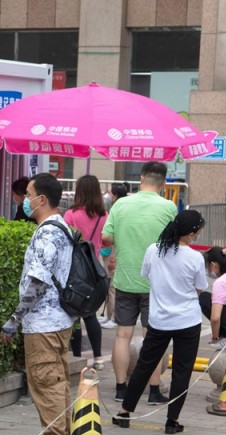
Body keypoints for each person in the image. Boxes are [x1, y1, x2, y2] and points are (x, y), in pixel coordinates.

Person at [0, 173, 75, 435]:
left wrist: (14, 319)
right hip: (59, 319)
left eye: (29, 195)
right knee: (57, 382)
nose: (26, 200)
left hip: (43, 322)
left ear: (42, 199)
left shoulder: (46, 234)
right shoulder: (62, 227)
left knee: (46, 384)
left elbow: (37, 282)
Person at [112, 210, 208, 435]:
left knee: (143, 366)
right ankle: (172, 421)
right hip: (187, 320)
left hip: (159, 319)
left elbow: (146, 275)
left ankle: (125, 412)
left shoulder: (153, 250)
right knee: (182, 372)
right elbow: (200, 287)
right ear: (191, 233)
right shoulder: (194, 257)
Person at [102, 162, 177, 404]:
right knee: (152, 337)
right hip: (156, 284)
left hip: (125, 279)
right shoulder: (168, 207)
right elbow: (175, 242)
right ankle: (153, 390)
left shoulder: (121, 204)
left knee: (123, 335)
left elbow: (106, 237)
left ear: (141, 178)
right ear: (163, 183)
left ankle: (120, 388)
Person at [62, 175, 107, 369]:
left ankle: (77, 358)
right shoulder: (104, 216)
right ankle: (98, 358)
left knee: (75, 315)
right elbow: (106, 241)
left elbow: (64, 239)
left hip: (75, 270)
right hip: (95, 271)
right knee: (91, 315)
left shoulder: (71, 214)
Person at [100, 183, 130, 329]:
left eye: (111, 193)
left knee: (112, 285)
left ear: (115, 195)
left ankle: (114, 317)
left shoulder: (117, 209)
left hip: (115, 250)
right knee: (111, 285)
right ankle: (110, 315)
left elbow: (109, 235)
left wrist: (113, 255)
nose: (109, 196)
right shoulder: (127, 207)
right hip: (119, 250)